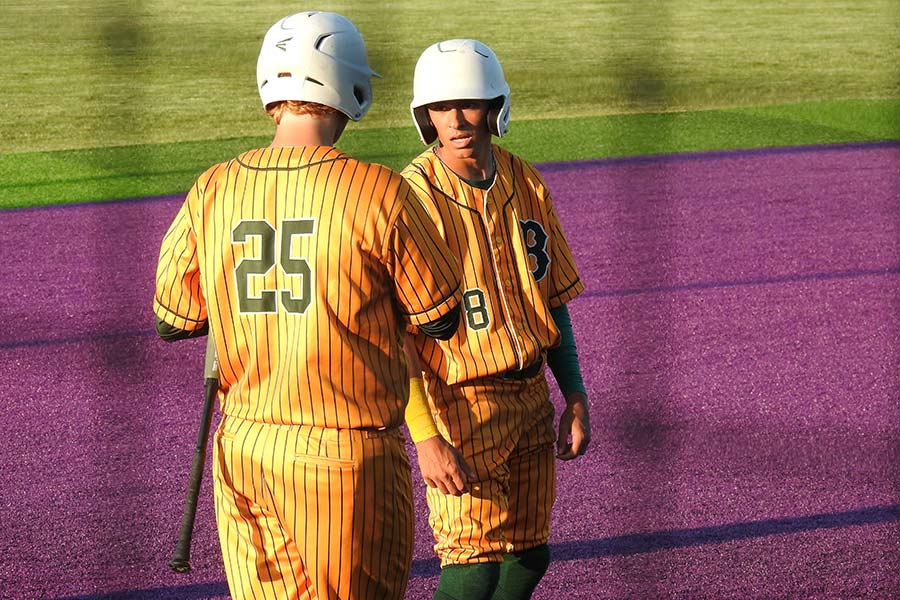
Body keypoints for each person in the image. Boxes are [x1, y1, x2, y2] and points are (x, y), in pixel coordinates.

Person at [153, 12, 462, 600]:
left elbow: (174, 319)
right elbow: (441, 317)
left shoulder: (213, 187)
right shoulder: (379, 191)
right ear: (351, 86)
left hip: (244, 448)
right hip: (345, 457)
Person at [400, 39, 592, 600]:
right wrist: (425, 436)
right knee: (472, 562)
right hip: (460, 404)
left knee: (530, 554)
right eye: (440, 108)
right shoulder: (408, 198)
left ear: (496, 106)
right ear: (423, 116)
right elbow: (397, 334)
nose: (456, 121)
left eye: (470, 103)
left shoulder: (525, 181)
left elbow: (552, 296)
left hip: (531, 394)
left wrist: (574, 394)